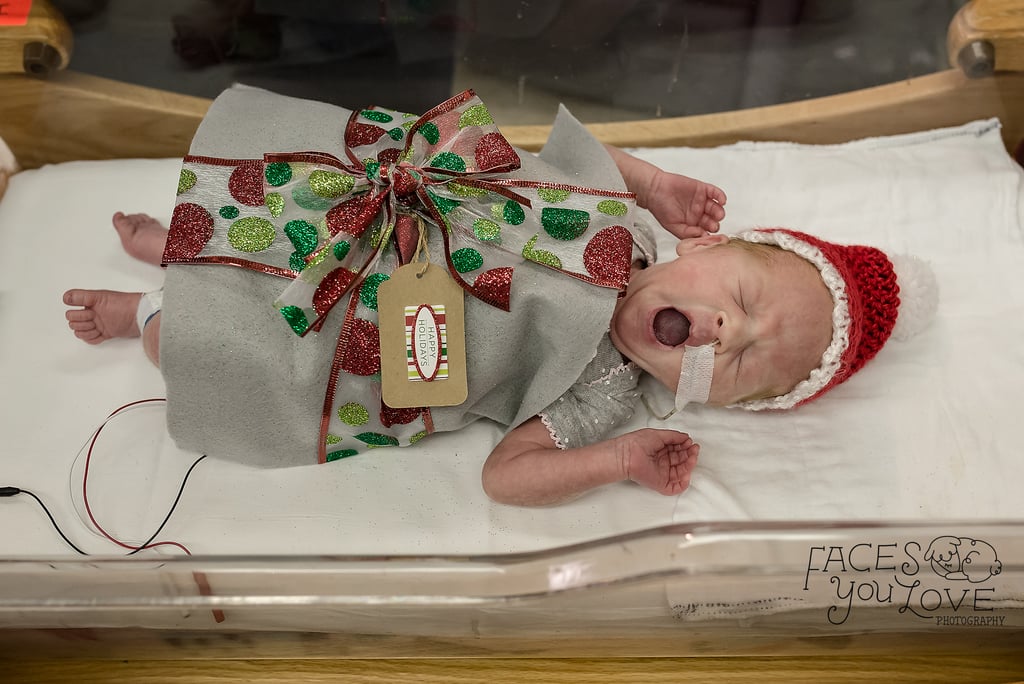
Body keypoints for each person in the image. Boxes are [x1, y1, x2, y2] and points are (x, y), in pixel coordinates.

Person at [64, 87, 936, 507]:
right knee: (283, 204)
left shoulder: (606, 394)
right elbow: (580, 164)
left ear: (714, 396)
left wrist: (620, 462)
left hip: (370, 343)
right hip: (406, 212)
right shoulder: (628, 224)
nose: (717, 328)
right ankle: (170, 239)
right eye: (738, 296)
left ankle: (137, 313)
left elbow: (506, 475)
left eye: (736, 360)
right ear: (700, 246)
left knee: (221, 347)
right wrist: (658, 181)